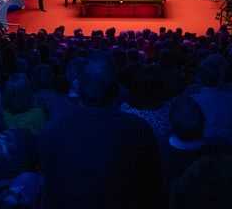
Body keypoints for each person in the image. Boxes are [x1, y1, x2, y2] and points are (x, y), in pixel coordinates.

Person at [40, 60, 164, 209]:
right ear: (116, 91)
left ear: (77, 87)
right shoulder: (139, 128)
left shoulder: (52, 129)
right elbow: (154, 185)